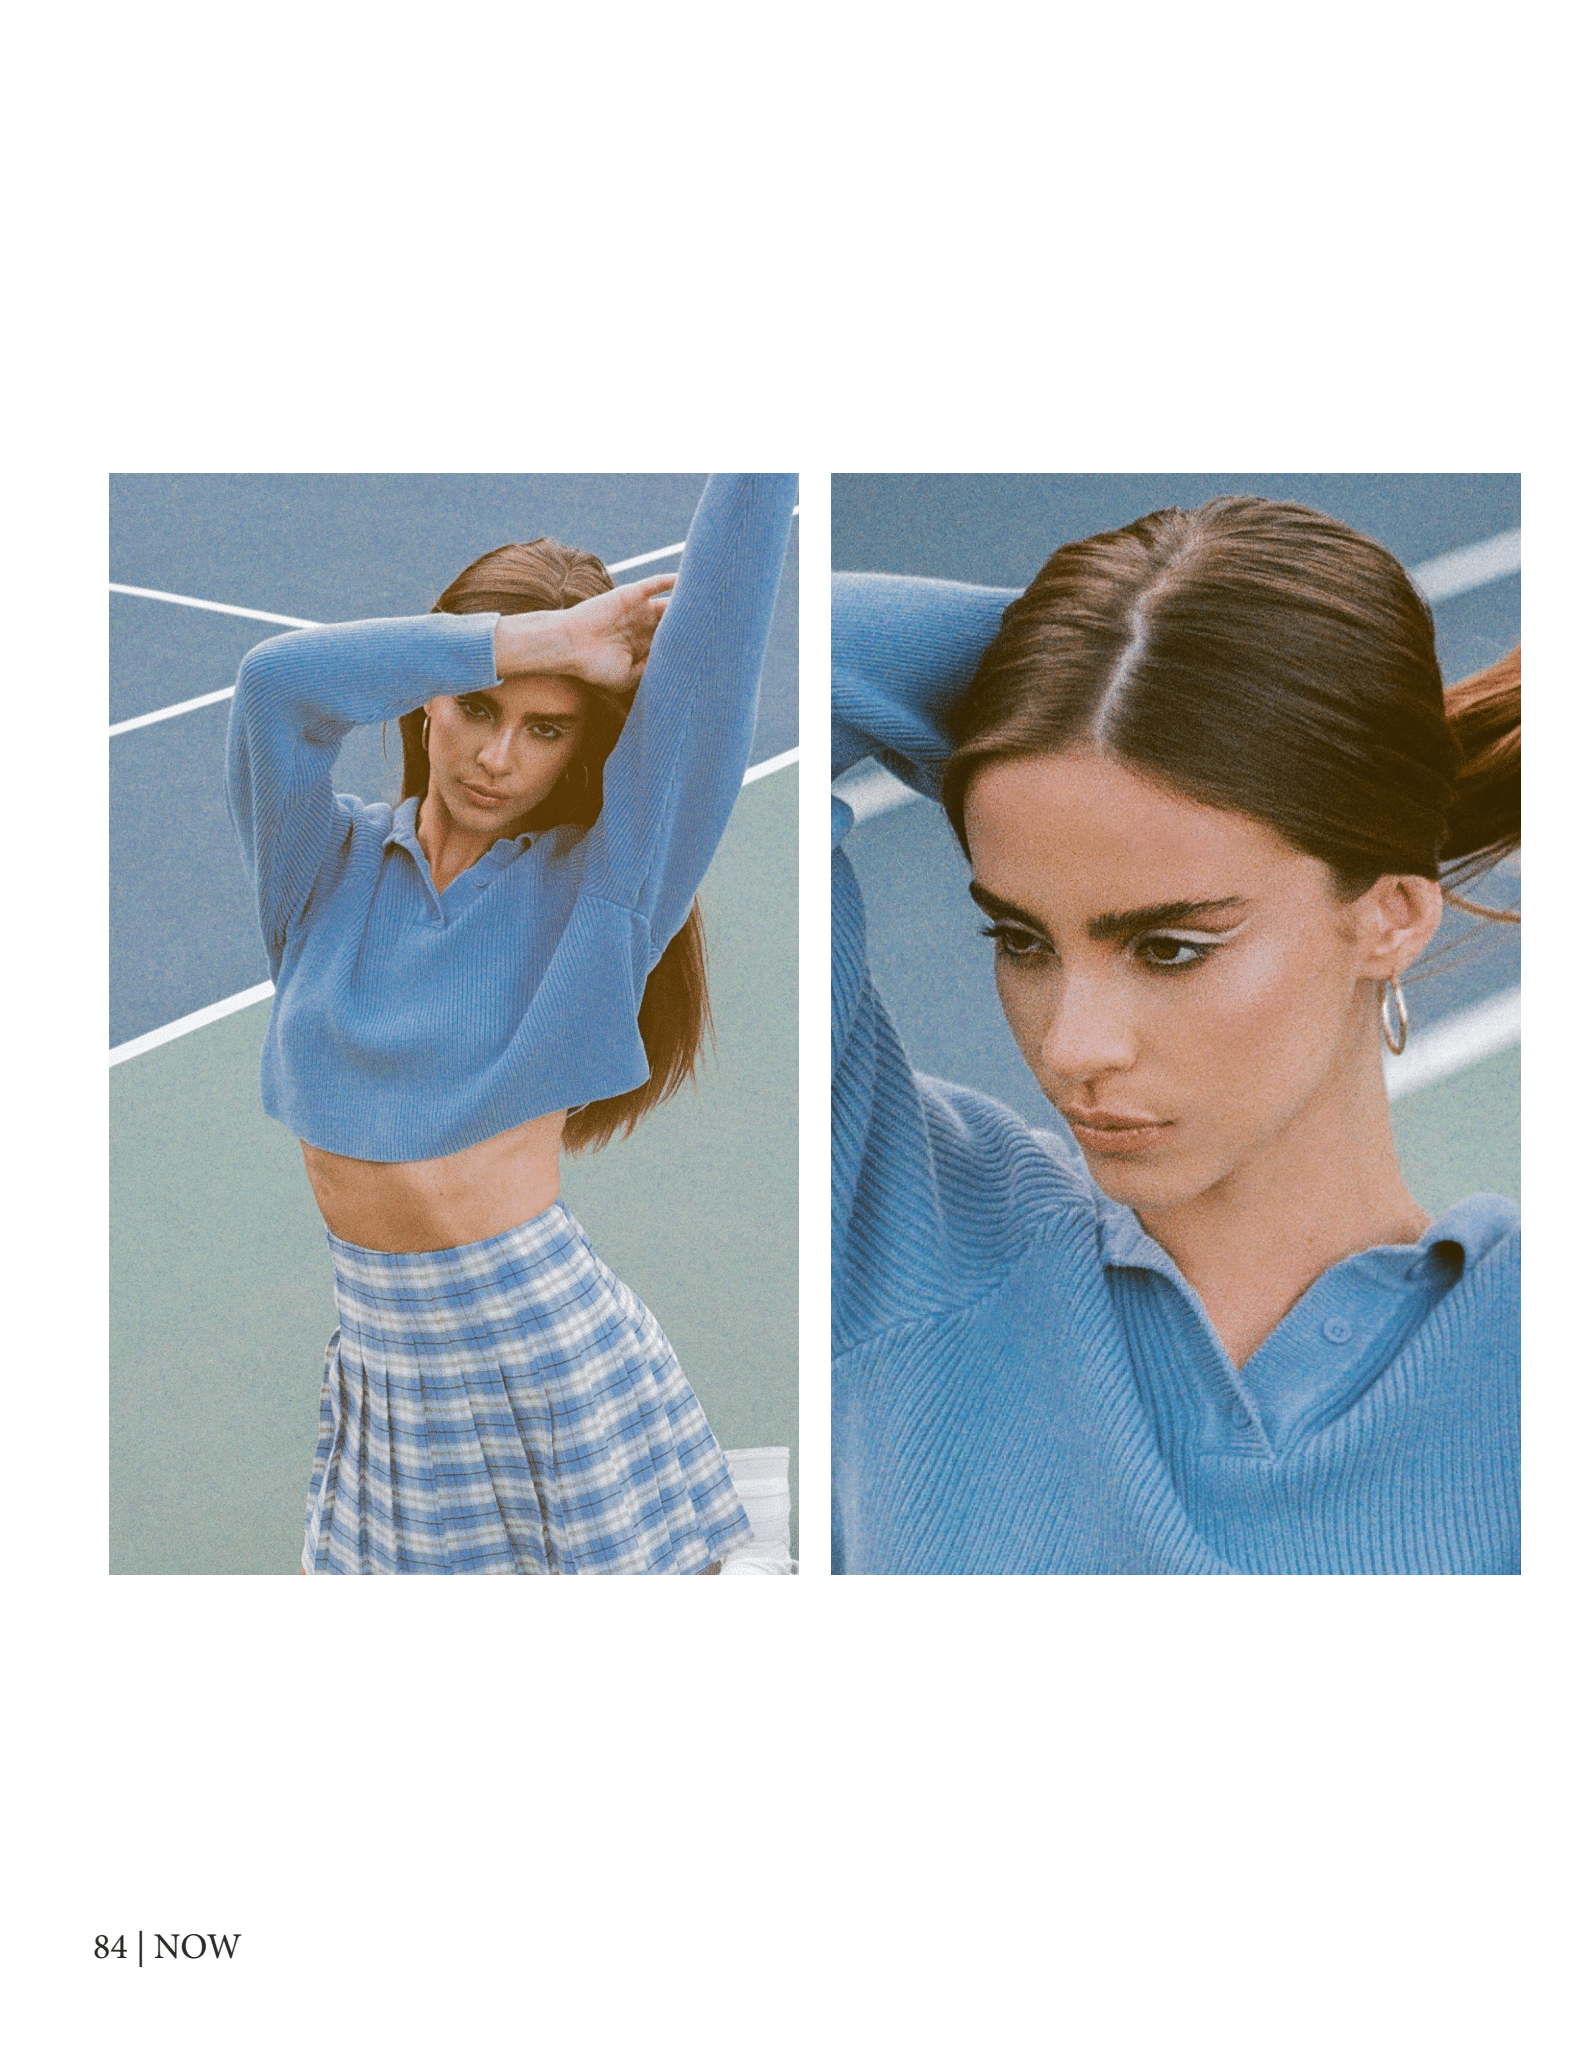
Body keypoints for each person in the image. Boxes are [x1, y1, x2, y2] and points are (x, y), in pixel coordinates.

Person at [832, 494, 1519, 1574]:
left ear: (1388, 915)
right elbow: (760, 661)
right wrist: (1096, 672)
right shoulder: (901, 1236)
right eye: (1019, 939)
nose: (1071, 1048)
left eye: (1167, 948)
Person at [226, 473, 797, 1573]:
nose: (498, 758)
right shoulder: (318, 873)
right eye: (479, 708)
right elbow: (273, 686)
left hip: (548, 1363)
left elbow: (715, 658)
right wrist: (543, 641)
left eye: (546, 730)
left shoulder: (603, 893)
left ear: (578, 750)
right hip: (385, 1376)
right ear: (426, 702)